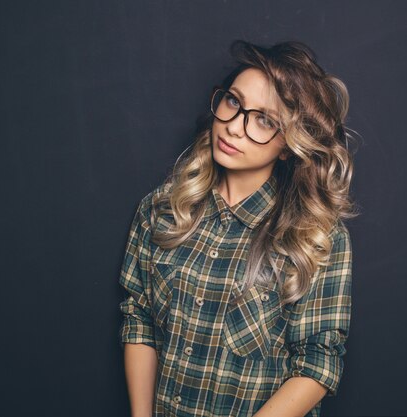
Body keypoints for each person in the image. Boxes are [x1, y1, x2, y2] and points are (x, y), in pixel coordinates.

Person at [118, 40, 358, 417]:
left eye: (264, 120)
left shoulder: (316, 237)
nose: (234, 127)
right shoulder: (162, 208)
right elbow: (140, 320)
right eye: (233, 102)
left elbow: (318, 365)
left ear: (287, 145)